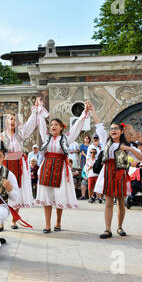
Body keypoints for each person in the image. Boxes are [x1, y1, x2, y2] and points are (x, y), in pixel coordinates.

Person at [35, 100, 92, 233]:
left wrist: (85, 113)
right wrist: (40, 108)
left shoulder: (66, 139)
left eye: (56, 125)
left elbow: (77, 127)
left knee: (59, 196)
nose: (53, 126)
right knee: (47, 197)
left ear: (61, 128)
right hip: (47, 167)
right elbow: (41, 124)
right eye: (52, 125)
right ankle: (47, 224)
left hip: (60, 168)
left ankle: (58, 222)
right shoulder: (46, 138)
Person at [0, 97, 47, 229]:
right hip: (4, 165)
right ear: (6, 121)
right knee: (2, 192)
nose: (12, 121)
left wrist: (35, 110)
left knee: (17, 192)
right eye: (10, 119)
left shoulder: (20, 133)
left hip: (18, 164)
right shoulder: (0, 136)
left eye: (14, 119)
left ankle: (13, 220)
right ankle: (1, 221)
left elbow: (30, 124)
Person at [91, 107, 142, 239]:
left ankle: (120, 227)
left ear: (121, 131)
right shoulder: (106, 141)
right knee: (108, 202)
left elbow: (141, 158)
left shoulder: (126, 145)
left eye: (116, 129)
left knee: (120, 201)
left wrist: (128, 148)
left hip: (120, 172)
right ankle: (107, 229)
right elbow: (98, 125)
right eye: (111, 129)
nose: (113, 131)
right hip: (108, 171)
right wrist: (92, 110)